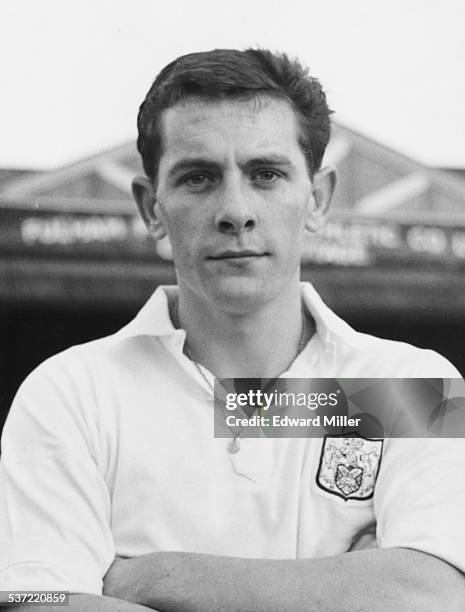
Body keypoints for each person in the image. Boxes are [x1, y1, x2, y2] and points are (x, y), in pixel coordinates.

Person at [0, 48, 464, 612]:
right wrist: (347, 584)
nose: (235, 211)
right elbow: (35, 597)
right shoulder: (72, 391)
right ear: (152, 208)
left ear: (317, 200)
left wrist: (150, 579)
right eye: (199, 178)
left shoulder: (412, 381)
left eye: (265, 174)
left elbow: (432, 593)